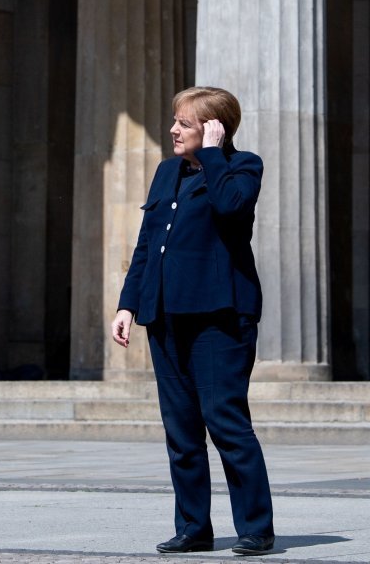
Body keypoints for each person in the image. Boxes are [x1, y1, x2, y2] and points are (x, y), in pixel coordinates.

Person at [111, 87, 275, 556]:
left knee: (226, 423)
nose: (173, 130)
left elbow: (231, 208)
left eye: (184, 123)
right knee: (181, 430)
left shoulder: (243, 167)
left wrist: (213, 155)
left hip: (220, 319)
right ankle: (193, 527)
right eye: (176, 121)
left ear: (213, 127)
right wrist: (128, 304)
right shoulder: (167, 173)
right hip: (165, 316)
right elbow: (148, 243)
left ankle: (256, 528)